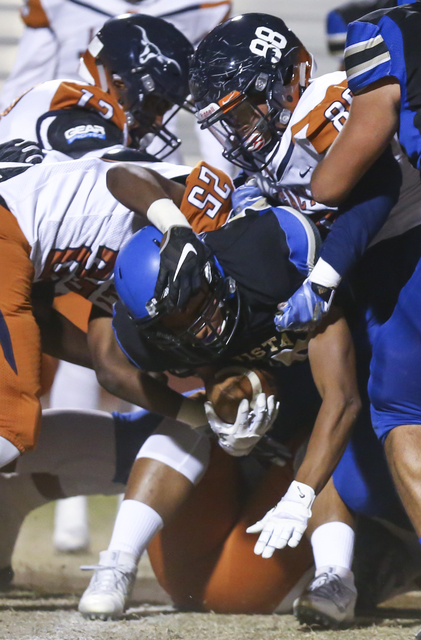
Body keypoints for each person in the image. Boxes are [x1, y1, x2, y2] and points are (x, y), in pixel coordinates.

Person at [77, 176, 363, 618]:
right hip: (268, 409)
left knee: (327, 441)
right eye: (178, 322)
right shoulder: (151, 337)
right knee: (187, 422)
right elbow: (112, 367)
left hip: (330, 405)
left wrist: (299, 495)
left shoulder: (269, 260)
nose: (198, 324)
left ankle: (335, 577)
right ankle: (117, 561)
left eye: (196, 302)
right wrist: (208, 408)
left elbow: (342, 400)